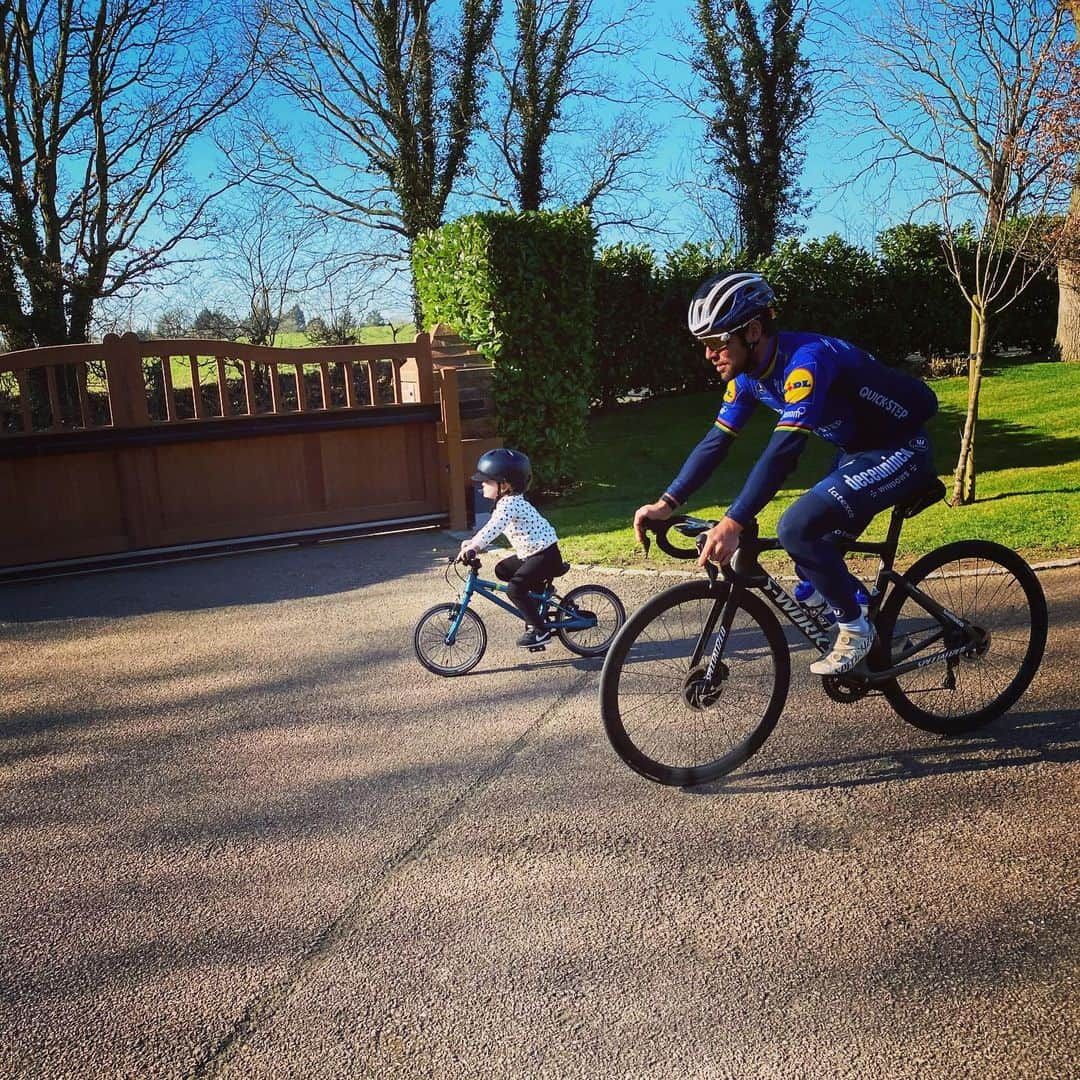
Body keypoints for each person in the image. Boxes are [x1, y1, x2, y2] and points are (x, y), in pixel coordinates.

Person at [633, 271, 939, 675]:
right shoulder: (748, 379)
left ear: (753, 331)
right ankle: (873, 628)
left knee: (795, 527)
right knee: (810, 566)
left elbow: (784, 451)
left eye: (715, 342)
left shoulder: (806, 363)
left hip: (901, 449)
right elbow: (716, 442)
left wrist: (734, 521)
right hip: (857, 451)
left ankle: (855, 626)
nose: (708, 354)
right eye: (703, 344)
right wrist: (666, 503)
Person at [459, 448, 565, 648]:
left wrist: (475, 547)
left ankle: (540, 631)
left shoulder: (509, 504)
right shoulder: (506, 502)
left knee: (515, 589)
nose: (482, 484)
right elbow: (491, 527)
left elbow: (493, 529)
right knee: (502, 570)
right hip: (533, 554)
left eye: (487, 480)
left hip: (545, 555)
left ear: (504, 484)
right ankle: (538, 595)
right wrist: (472, 542)